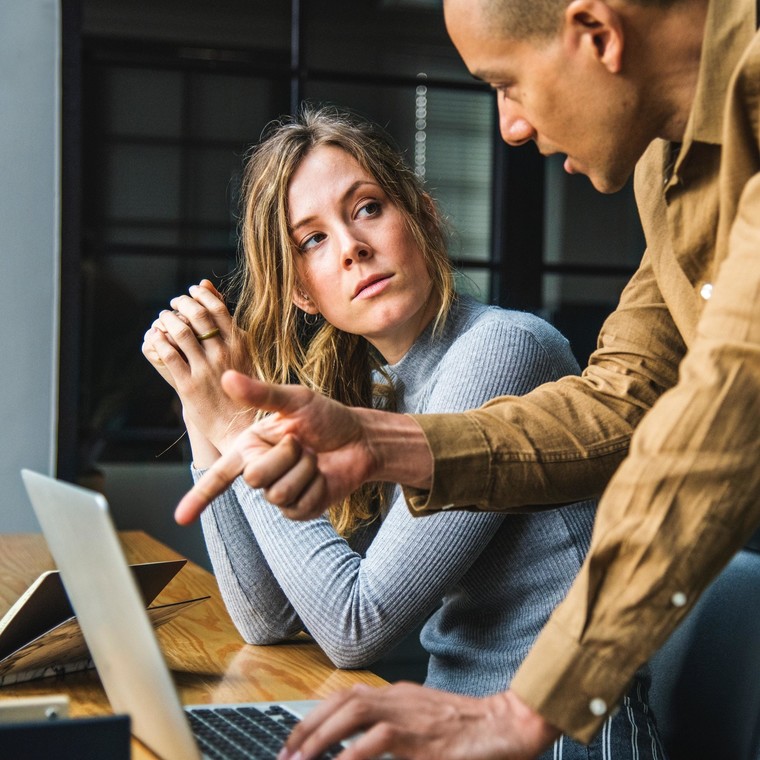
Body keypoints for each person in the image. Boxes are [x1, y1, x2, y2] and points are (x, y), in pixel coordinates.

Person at [174, 0, 760, 757]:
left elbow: (720, 418)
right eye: (313, 241)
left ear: (596, 35)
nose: (510, 126)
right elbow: (624, 400)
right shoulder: (671, 168)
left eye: (505, 82)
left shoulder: (499, 344)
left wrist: (527, 710)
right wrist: (381, 440)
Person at [143, 106, 665, 759]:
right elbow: (267, 619)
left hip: (564, 741)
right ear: (303, 292)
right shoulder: (380, 388)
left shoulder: (503, 350)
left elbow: (355, 625)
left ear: (421, 215)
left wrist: (238, 426)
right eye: (312, 240)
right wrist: (203, 408)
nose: (352, 247)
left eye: (366, 209)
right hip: (455, 735)